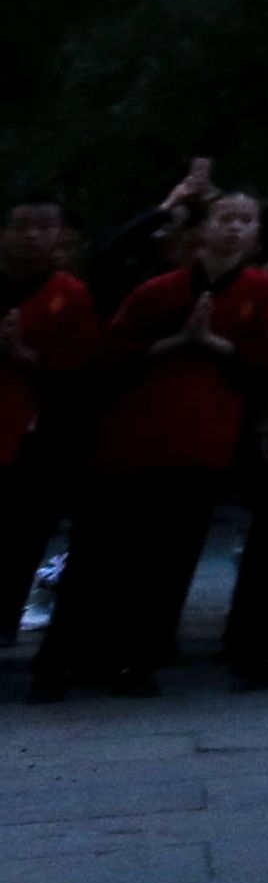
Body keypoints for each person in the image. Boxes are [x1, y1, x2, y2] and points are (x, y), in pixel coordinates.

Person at [34, 191, 268, 698]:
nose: (233, 229)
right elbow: (110, 353)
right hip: (131, 439)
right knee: (101, 554)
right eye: (225, 218)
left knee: (171, 558)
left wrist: (221, 347)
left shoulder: (261, 292)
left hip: (204, 441)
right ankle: (63, 661)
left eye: (245, 221)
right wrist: (170, 344)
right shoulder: (158, 290)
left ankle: (138, 660)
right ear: (200, 232)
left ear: (257, 237)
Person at [1, 199, 100, 656]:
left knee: (22, 534)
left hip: (36, 433)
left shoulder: (71, 294)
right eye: (23, 227)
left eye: (45, 227)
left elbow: (82, 363)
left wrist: (29, 359)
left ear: (61, 235)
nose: (34, 236)